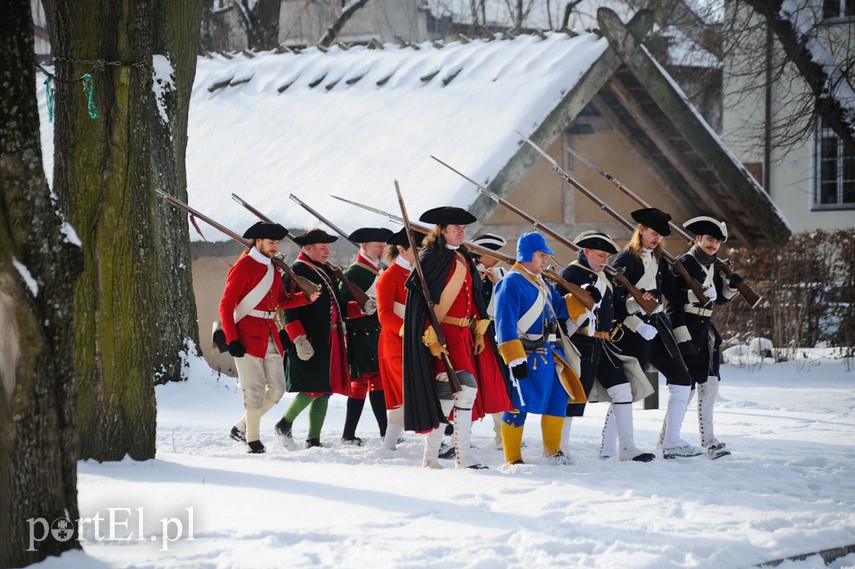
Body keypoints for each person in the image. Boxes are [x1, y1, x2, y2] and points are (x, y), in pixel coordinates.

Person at [402, 206, 511, 469]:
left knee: (448, 396)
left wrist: (478, 330)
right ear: (442, 231)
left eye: (463, 228)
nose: (461, 232)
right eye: (456, 228)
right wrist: (430, 338)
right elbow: (419, 304)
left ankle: (430, 458)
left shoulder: (463, 256)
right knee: (466, 389)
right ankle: (464, 457)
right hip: (443, 335)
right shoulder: (430, 258)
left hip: (463, 334)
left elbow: (473, 295)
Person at [611, 208, 702, 460]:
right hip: (635, 330)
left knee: (682, 379)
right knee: (624, 390)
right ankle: (611, 447)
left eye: (660, 236)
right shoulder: (624, 261)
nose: (656, 239)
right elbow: (614, 304)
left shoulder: (660, 261)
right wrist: (636, 321)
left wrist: (698, 294)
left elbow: (672, 293)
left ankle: (672, 441)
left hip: (658, 327)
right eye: (653, 233)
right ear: (640, 230)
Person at [221, 221, 319, 454]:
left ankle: (241, 427)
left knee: (277, 389)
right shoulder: (244, 266)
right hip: (245, 334)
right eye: (271, 242)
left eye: (277, 243)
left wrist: (306, 298)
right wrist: (232, 338)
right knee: (253, 389)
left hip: (269, 334)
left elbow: (282, 301)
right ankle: (252, 440)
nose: (275, 247)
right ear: (258, 242)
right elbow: (226, 305)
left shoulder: (273, 268)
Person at [493, 232, 589, 465]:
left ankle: (553, 451)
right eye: (541, 255)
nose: (545, 261)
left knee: (558, 398)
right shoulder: (511, 282)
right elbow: (504, 322)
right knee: (518, 404)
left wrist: (584, 296)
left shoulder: (541, 282)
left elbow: (558, 306)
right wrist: (514, 358)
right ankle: (513, 458)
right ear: (527, 254)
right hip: (524, 354)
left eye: (546, 256)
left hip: (549, 352)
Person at [559, 231, 655, 462]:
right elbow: (559, 311)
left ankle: (627, 447)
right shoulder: (570, 273)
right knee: (572, 396)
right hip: (580, 343)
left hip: (603, 343)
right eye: (601, 256)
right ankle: (560, 448)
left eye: (607, 257)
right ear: (586, 252)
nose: (605, 261)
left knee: (622, 389)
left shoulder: (605, 277)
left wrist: (640, 307)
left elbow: (617, 310)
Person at [274, 228, 368, 449]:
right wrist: (298, 338)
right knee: (313, 387)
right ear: (308, 249)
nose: (328, 251)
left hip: (331, 338)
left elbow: (340, 307)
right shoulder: (296, 271)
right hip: (311, 339)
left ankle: (313, 439)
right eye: (322, 248)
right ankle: (284, 423)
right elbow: (288, 311)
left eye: (328, 247)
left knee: (325, 390)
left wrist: (362, 307)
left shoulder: (324, 271)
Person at [667, 216, 739, 460]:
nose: (713, 245)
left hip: (705, 329)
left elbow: (718, 299)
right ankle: (667, 440)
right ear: (697, 239)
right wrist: (682, 337)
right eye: (709, 239)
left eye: (717, 241)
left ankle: (709, 441)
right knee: (683, 389)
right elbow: (673, 303)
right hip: (688, 327)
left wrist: (732, 286)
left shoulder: (714, 265)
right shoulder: (683, 263)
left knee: (710, 384)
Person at [339, 227, 393, 446]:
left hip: (374, 333)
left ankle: (384, 432)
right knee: (362, 382)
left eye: (383, 246)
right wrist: (362, 308)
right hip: (360, 334)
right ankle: (349, 434)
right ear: (364, 247)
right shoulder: (354, 273)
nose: (382, 249)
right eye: (377, 246)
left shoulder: (376, 269)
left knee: (377, 382)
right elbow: (341, 305)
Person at [375, 228, 422, 451]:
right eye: (417, 249)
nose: (421, 253)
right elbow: (384, 314)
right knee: (412, 392)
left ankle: (388, 445)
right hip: (396, 343)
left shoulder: (419, 274)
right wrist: (408, 330)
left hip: (417, 340)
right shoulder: (389, 276)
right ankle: (438, 441)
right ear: (402, 250)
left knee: (405, 397)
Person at [469, 232, 509, 450]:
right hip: (470, 333)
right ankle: (463, 435)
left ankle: (502, 436)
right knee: (468, 384)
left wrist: (498, 284)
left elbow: (506, 305)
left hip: (493, 333)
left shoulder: (501, 274)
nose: (496, 258)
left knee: (496, 382)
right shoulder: (467, 272)